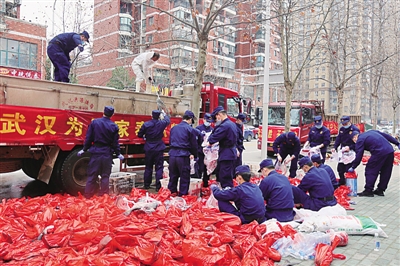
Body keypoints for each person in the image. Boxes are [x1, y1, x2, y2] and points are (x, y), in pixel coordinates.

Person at [77, 106, 124, 198]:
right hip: (107, 153)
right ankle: (103, 197)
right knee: (105, 176)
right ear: (112, 115)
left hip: (96, 152)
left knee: (92, 175)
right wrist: (118, 154)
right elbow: (115, 143)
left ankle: (88, 196)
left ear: (103, 112)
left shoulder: (95, 123)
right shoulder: (114, 126)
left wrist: (84, 149)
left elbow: (88, 138)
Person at [348, 130, 400, 197]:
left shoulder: (360, 140)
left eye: (353, 140)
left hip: (379, 153)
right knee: (386, 171)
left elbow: (359, 155)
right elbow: (386, 136)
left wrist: (353, 166)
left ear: (355, 137)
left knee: (370, 170)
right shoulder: (372, 131)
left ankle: (368, 191)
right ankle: (380, 190)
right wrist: (397, 143)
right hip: (390, 151)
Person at [137, 109, 170, 191]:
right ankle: (158, 186)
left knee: (148, 167)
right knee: (159, 167)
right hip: (159, 147)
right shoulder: (161, 123)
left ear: (151, 115)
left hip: (149, 147)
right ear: (159, 116)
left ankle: (147, 185)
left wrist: (145, 137)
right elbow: (168, 120)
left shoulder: (146, 124)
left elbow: (139, 134)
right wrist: (164, 113)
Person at [168, 110, 198, 196]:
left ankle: (171, 193)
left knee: (173, 176)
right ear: (190, 119)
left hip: (173, 155)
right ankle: (182, 196)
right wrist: (194, 155)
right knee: (184, 176)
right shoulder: (190, 129)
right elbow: (193, 144)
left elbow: (170, 142)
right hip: (183, 155)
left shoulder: (174, 128)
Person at [208, 106, 238, 188]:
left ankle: (227, 195)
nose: (216, 120)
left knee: (225, 177)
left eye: (216, 118)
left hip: (226, 154)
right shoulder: (232, 124)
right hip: (230, 152)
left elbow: (212, 139)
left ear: (219, 115)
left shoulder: (224, 126)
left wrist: (216, 127)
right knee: (226, 175)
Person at [332, 115, 360, 186]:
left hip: (351, 151)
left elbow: (358, 142)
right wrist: (335, 147)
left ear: (349, 121)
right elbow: (338, 139)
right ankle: (342, 182)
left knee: (348, 168)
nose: (344, 125)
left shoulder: (355, 129)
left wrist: (350, 147)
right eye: (343, 124)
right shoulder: (342, 129)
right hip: (343, 150)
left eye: (345, 123)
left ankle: (349, 184)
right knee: (340, 168)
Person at [195, 113, 214, 187]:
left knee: (207, 169)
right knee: (199, 168)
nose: (208, 123)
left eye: (210, 121)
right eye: (207, 121)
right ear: (203, 120)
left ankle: (205, 183)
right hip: (200, 151)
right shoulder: (198, 129)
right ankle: (198, 182)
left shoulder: (212, 130)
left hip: (209, 153)